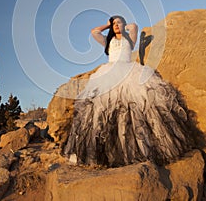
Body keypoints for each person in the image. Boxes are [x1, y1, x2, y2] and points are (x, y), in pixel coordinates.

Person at [64, 15, 204, 167]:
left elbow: (134, 26)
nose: (116, 25)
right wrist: (108, 25)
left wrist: (121, 24)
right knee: (102, 111)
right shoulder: (107, 41)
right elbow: (94, 32)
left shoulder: (129, 39)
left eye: (119, 23)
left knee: (139, 109)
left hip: (129, 71)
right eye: (114, 24)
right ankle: (104, 155)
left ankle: (144, 151)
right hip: (109, 74)